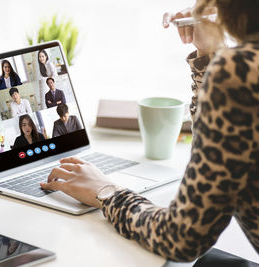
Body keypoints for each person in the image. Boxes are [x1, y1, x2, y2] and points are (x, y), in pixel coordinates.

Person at [41, 0, 259, 262]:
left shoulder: (240, 72)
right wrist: (208, 53)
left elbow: (180, 237)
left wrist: (106, 192)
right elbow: (224, 154)